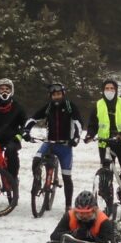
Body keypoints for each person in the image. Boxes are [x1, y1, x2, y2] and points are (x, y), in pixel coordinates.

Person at [26, 81, 84, 210]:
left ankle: (68, 206)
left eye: (59, 94)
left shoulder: (70, 106)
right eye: (54, 95)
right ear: (50, 96)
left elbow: (79, 123)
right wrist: (26, 131)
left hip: (65, 146)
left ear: (63, 94)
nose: (56, 97)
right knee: (36, 159)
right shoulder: (48, 107)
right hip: (49, 143)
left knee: (67, 177)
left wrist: (75, 138)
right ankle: (37, 183)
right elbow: (33, 119)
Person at [86, 78, 121, 212]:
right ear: (103, 90)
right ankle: (107, 206)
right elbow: (93, 124)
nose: (109, 91)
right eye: (107, 88)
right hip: (104, 143)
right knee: (106, 175)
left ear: (116, 90)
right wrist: (90, 135)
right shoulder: (98, 105)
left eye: (112, 89)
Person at [45, 189, 119, 243]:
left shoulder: (103, 221)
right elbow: (54, 236)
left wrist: (89, 237)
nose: (84, 216)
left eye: (87, 213)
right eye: (80, 213)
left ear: (95, 210)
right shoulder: (69, 216)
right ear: (75, 211)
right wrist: (74, 234)